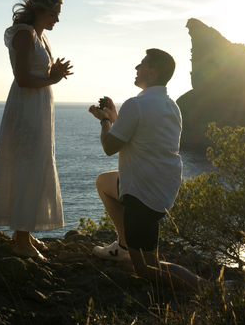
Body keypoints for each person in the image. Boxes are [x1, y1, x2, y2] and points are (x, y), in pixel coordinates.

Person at [88, 49, 211, 291]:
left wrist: (104, 121)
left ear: (152, 72)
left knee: (147, 269)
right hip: (162, 185)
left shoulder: (136, 104)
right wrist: (115, 117)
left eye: (141, 65)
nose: (136, 68)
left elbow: (110, 146)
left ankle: (207, 287)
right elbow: (143, 131)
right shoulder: (170, 105)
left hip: (142, 193)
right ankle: (123, 246)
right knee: (104, 182)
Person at [0, 0, 73, 261]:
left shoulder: (39, 36)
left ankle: (23, 233)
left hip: (38, 106)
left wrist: (52, 73)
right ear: (38, 10)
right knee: (27, 165)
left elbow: (35, 73)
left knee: (34, 164)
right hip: (27, 108)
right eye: (53, 13)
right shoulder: (24, 34)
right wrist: (53, 79)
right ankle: (21, 242)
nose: (56, 19)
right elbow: (22, 78)